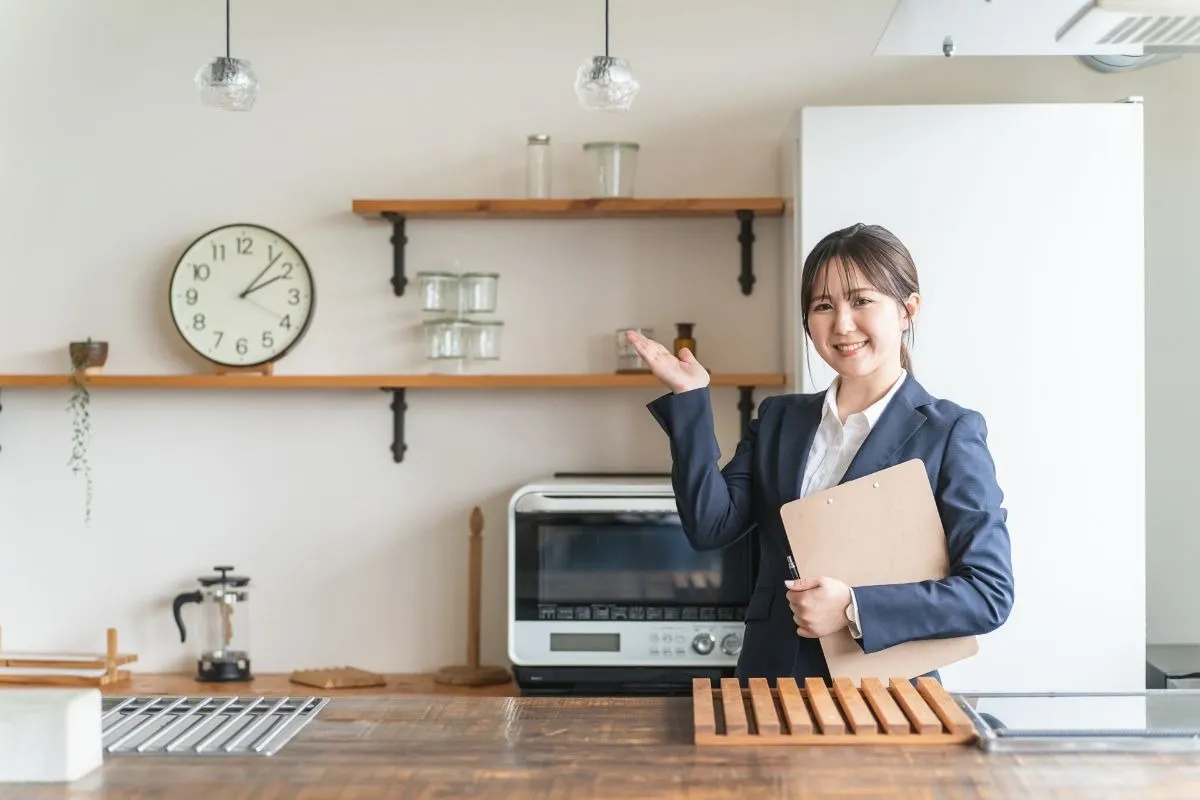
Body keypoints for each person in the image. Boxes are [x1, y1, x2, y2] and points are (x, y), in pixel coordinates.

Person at [626, 222, 1014, 685]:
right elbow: (710, 526)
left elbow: (988, 592)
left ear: (908, 309)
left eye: (862, 300)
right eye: (823, 306)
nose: (842, 324)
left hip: (886, 700)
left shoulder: (950, 433)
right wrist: (691, 401)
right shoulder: (779, 419)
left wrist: (855, 607)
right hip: (769, 686)